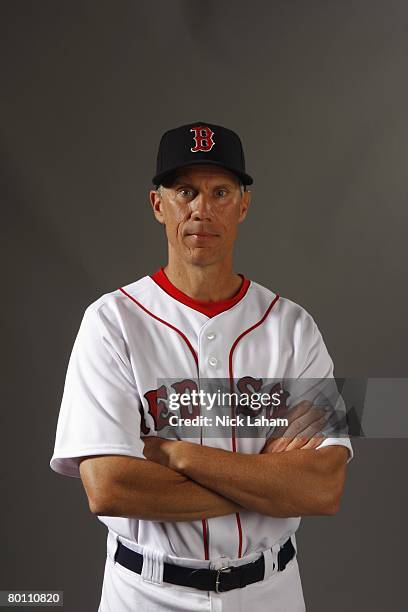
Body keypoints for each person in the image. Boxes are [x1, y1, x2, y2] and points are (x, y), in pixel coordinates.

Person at [50, 121, 353, 611]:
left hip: (270, 592)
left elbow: (323, 486)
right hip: (146, 594)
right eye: (185, 190)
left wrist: (176, 454)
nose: (201, 210)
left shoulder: (296, 327)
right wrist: (270, 482)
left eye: (220, 191)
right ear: (158, 204)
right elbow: (108, 487)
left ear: (244, 205)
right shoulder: (110, 321)